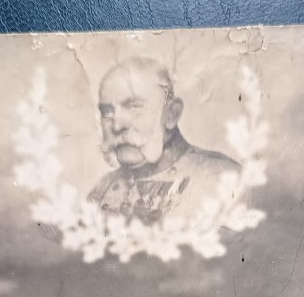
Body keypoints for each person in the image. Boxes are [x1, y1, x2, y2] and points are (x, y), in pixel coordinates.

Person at [90, 57, 240, 224]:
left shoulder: (223, 181)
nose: (117, 126)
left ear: (171, 114)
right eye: (107, 112)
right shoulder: (102, 188)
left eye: (134, 107)